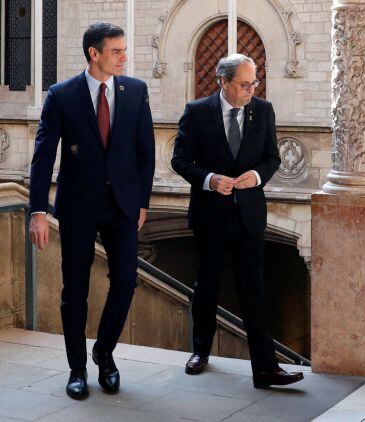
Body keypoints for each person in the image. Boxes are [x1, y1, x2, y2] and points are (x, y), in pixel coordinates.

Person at [28, 22, 155, 399]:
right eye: (116, 51)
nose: (124, 57)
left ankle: (104, 351)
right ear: (94, 54)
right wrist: (37, 210)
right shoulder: (62, 95)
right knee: (75, 290)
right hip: (78, 206)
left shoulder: (135, 91)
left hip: (123, 206)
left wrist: (143, 201)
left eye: (123, 50)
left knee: (126, 282)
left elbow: (145, 153)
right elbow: (42, 157)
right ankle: (77, 368)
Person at [171, 54, 303, 388]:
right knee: (207, 287)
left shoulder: (264, 110)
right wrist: (210, 179)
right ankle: (200, 351)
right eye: (244, 84)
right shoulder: (197, 112)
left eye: (254, 83)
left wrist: (257, 176)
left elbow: (272, 157)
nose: (250, 90)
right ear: (224, 82)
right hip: (210, 215)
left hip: (249, 216)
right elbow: (180, 160)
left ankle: (265, 368)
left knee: (254, 292)